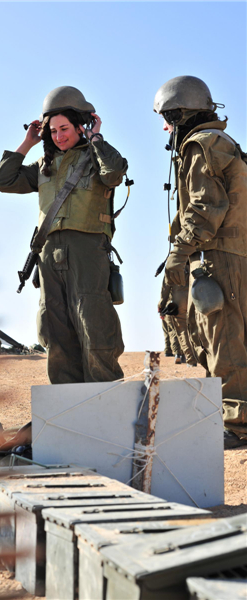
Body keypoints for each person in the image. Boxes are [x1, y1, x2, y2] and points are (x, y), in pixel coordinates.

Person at [0, 86, 128, 384]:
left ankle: (105, 398)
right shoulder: (44, 166)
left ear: (81, 125)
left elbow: (114, 174)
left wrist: (96, 138)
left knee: (94, 326)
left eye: (64, 128)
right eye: (51, 131)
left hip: (87, 251)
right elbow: (3, 180)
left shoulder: (97, 158)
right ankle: (67, 404)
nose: (58, 136)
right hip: (48, 255)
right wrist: (28, 143)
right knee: (54, 331)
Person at [154, 75, 247, 447]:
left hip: (217, 255)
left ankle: (236, 424)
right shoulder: (224, 143)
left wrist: (179, 253)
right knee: (228, 336)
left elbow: (205, 206)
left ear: (180, 115)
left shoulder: (200, 144)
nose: (165, 128)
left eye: (167, 118)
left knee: (222, 340)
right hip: (232, 254)